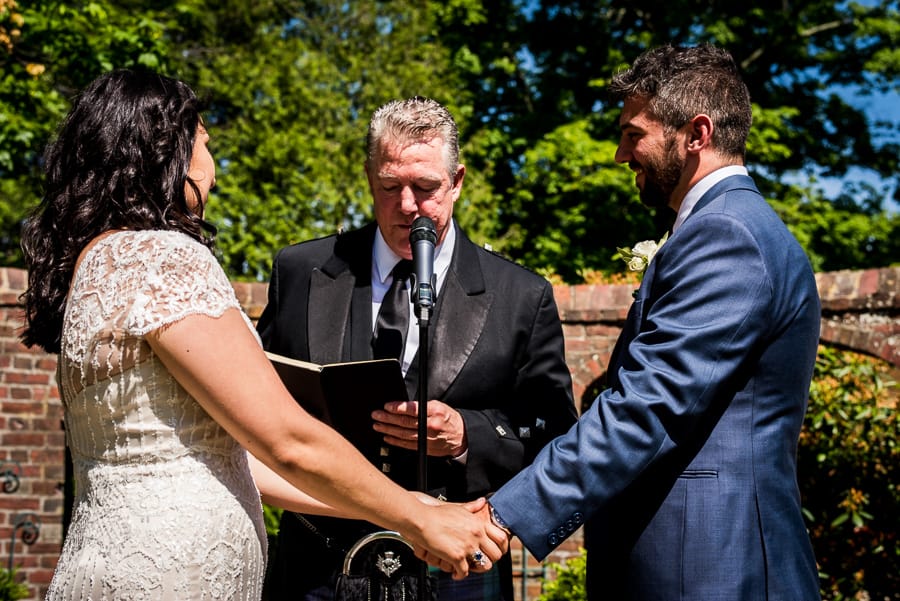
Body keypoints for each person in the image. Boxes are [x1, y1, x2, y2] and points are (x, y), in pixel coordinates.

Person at [19, 69, 508, 601]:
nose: (214, 169)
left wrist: (409, 507)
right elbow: (286, 439)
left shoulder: (99, 263)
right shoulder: (162, 259)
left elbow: (243, 459)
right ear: (169, 151)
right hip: (174, 571)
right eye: (204, 143)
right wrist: (416, 517)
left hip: (109, 557)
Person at [473, 44, 822, 600]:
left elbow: (647, 405)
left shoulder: (728, 234)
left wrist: (501, 515)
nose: (619, 154)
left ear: (696, 133)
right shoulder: (724, 227)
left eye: (633, 133)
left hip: (713, 571)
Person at [257, 96, 578, 601]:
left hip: (456, 571)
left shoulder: (521, 294)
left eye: (426, 187)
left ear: (457, 181)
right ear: (369, 177)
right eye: (390, 187)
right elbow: (255, 404)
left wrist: (466, 434)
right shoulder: (300, 270)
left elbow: (555, 429)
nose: (408, 206)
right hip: (317, 563)